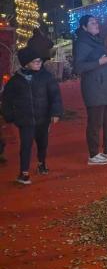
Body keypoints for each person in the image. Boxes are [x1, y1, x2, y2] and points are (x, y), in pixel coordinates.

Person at [1, 47, 63, 184]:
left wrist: (55, 112)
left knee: (42, 143)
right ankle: (24, 172)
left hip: (43, 117)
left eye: (40, 61)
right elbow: (6, 99)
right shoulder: (15, 81)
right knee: (26, 145)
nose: (39, 63)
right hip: (25, 119)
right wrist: (9, 116)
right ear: (26, 63)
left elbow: (55, 95)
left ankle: (41, 163)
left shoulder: (46, 77)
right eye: (35, 61)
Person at [74, 15, 107, 166]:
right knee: (95, 123)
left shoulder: (98, 40)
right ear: (84, 27)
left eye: (96, 22)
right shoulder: (82, 42)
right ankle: (94, 154)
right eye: (92, 23)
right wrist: (100, 61)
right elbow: (79, 67)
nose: (96, 24)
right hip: (95, 87)